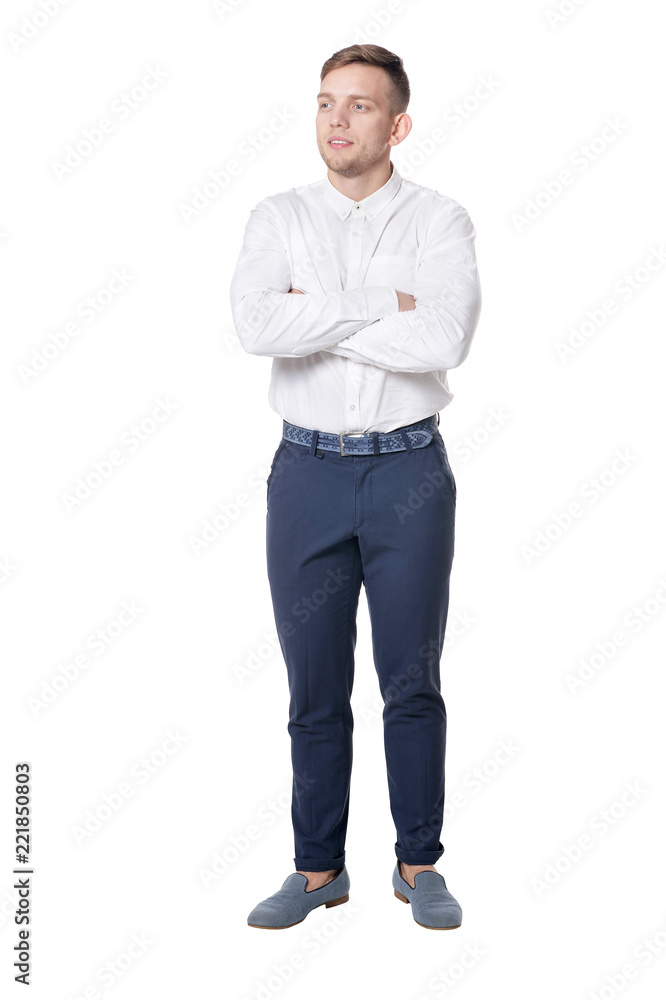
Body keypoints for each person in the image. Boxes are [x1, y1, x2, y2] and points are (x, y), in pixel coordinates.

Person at [230, 43, 481, 930]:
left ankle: (418, 866)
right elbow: (257, 323)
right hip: (305, 474)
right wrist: (387, 306)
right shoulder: (277, 215)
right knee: (313, 686)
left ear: (397, 123)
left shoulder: (441, 221)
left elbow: (443, 341)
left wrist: (323, 308)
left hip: (408, 468)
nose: (338, 121)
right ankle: (316, 868)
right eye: (327, 103)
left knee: (411, 679)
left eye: (361, 106)